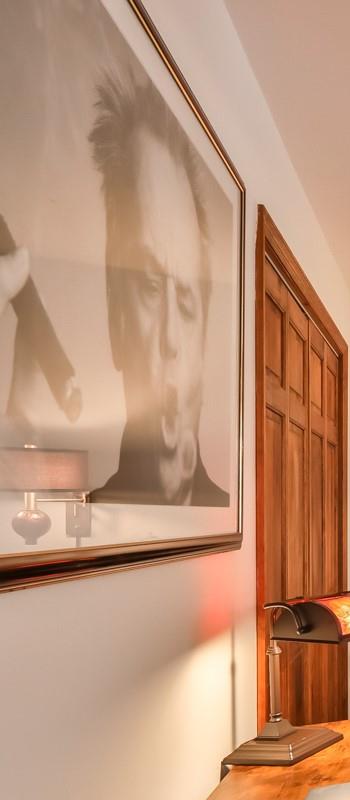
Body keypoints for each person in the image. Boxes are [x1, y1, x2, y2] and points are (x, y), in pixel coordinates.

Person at [87, 68, 227, 506]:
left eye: (186, 300)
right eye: (149, 287)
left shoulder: (223, 510)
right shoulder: (92, 516)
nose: (170, 340)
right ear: (116, 316)